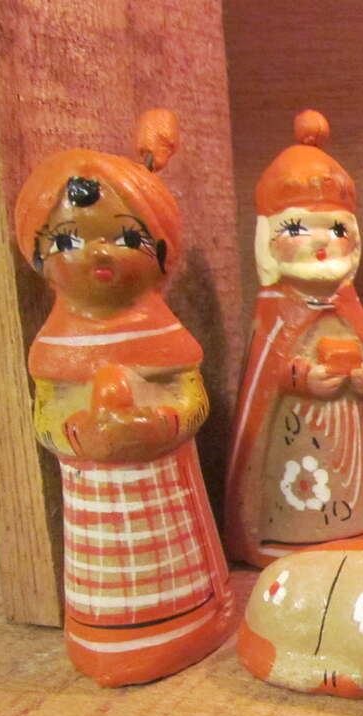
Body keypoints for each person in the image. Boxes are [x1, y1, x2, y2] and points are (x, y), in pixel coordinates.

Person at [13, 109, 233, 686]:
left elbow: (192, 397)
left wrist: (163, 423)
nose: (99, 254)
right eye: (68, 239)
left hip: (166, 486)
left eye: (127, 238)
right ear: (39, 258)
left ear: (161, 253)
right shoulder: (57, 345)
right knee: (105, 577)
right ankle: (108, 641)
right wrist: (77, 433)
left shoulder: (162, 334)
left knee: (179, 561)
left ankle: (193, 622)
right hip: (96, 502)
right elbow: (46, 414)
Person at [224, 110, 363, 567]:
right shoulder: (275, 311)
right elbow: (265, 376)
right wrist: (300, 376)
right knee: (301, 485)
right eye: (296, 228)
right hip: (296, 432)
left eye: (337, 228)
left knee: (351, 481)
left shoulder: (350, 309)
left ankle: (360, 530)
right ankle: (294, 540)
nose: (320, 242)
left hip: (350, 427)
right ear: (268, 239)